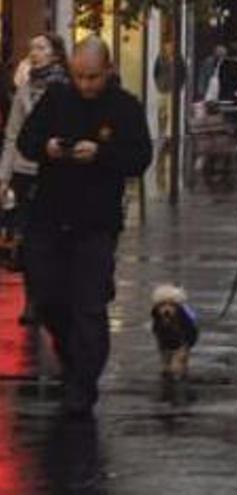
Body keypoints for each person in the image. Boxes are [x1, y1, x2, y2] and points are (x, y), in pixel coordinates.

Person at [17, 37, 153, 417]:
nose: (86, 85)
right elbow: (27, 140)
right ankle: (72, 358)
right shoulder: (57, 99)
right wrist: (49, 148)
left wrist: (101, 153)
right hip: (49, 215)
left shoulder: (124, 107)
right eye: (79, 76)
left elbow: (139, 157)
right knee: (49, 298)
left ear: (107, 71)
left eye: (93, 77)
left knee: (89, 307)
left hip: (95, 222)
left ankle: (83, 384)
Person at [0, 33, 69, 326]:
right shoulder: (24, 90)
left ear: (55, 53)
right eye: (31, 48)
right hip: (24, 172)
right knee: (26, 238)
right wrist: (3, 177)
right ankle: (32, 300)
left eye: (41, 47)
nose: (35, 53)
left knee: (54, 237)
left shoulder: (67, 87)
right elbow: (12, 135)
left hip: (56, 172)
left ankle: (55, 295)